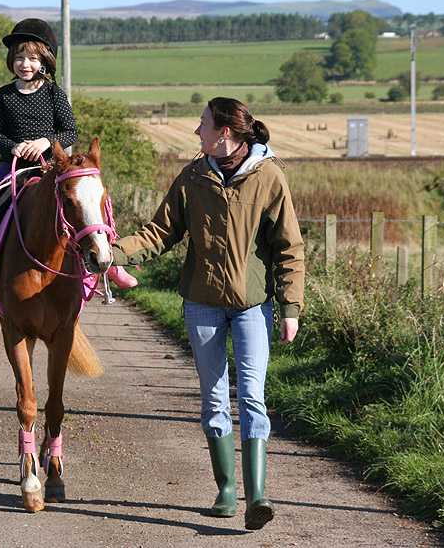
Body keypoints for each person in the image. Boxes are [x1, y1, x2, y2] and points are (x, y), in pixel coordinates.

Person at [111, 97, 304, 530]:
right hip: (201, 304)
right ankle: (227, 490)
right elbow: (160, 231)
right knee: (214, 398)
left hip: (253, 306)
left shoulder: (269, 177)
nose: (196, 132)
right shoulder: (193, 177)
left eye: (202, 125)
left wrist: (290, 307)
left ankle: (258, 496)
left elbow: (289, 247)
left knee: (252, 395)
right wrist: (114, 252)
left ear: (225, 132)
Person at [0, 18, 136, 294]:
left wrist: (46, 141)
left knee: (90, 202)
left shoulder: (55, 94)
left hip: (50, 168)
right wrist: (12, 147)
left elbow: (70, 131)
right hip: (12, 168)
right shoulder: (4, 95)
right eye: (19, 57)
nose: (25, 64)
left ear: (45, 60)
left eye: (32, 57)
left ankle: (113, 263)